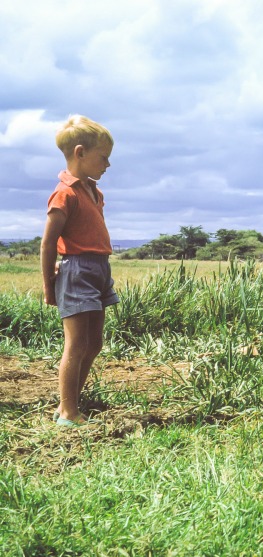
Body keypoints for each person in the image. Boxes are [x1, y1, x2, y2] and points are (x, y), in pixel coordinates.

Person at [40, 115, 119, 427]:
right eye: (104, 158)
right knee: (75, 345)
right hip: (77, 271)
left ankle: (69, 403)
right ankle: (68, 414)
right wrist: (49, 286)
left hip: (99, 268)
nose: (107, 165)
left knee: (94, 343)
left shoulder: (93, 192)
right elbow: (48, 244)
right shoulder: (64, 193)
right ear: (81, 153)